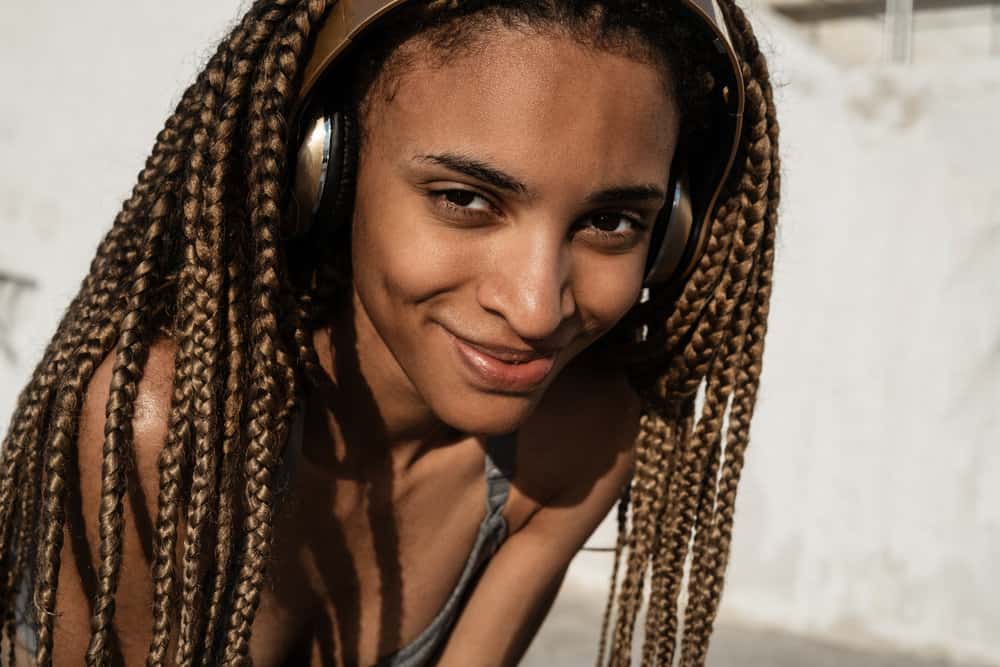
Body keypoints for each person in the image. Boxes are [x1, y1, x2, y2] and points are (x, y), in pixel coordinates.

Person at [0, 0, 779, 665]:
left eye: (611, 221)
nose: (537, 307)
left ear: (670, 232)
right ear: (324, 174)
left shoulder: (579, 441)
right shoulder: (170, 424)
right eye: (465, 199)